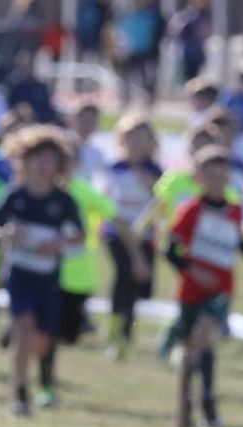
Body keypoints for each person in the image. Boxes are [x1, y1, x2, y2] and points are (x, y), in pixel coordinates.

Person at [163, 146, 243, 427]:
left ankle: (209, 405)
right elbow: (169, 249)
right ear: (198, 177)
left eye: (222, 176)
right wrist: (193, 271)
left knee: (204, 337)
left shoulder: (235, 210)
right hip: (191, 290)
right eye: (210, 176)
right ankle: (186, 406)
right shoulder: (191, 210)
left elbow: (238, 243)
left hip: (220, 290)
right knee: (193, 348)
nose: (217, 181)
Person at [46, 132, 142, 399]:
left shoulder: (85, 192)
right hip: (46, 274)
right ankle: (46, 383)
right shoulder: (37, 191)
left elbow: (119, 220)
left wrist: (137, 256)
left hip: (79, 277)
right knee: (48, 332)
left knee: (69, 335)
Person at [0, 126, 82, 417]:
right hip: (19, 273)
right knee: (23, 327)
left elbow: (80, 236)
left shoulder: (63, 200)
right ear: (25, 159)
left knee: (41, 341)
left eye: (51, 160)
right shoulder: (15, 195)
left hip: (47, 278)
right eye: (38, 158)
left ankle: (37, 373)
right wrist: (8, 232)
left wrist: (57, 242)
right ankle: (20, 393)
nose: (44, 166)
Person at [103, 113, 162, 359]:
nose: (137, 143)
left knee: (142, 287)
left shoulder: (156, 171)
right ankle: (119, 335)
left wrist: (150, 182)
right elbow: (106, 198)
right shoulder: (114, 168)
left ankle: (127, 328)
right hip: (117, 232)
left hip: (145, 236)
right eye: (131, 138)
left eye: (142, 138)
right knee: (124, 277)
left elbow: (162, 202)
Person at [168, 0, 209, 87]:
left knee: (196, 77)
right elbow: (177, 32)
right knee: (189, 76)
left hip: (198, 51)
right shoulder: (185, 15)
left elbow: (205, 32)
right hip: (187, 52)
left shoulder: (203, 15)